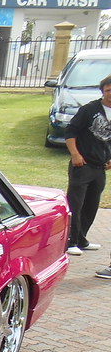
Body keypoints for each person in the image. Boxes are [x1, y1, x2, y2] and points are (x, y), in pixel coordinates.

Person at [65, 74, 111, 257]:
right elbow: (70, 132)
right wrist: (75, 154)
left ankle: (82, 239)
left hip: (100, 167)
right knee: (75, 204)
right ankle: (70, 241)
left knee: (92, 204)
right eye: (108, 90)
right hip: (82, 165)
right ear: (102, 91)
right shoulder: (89, 109)